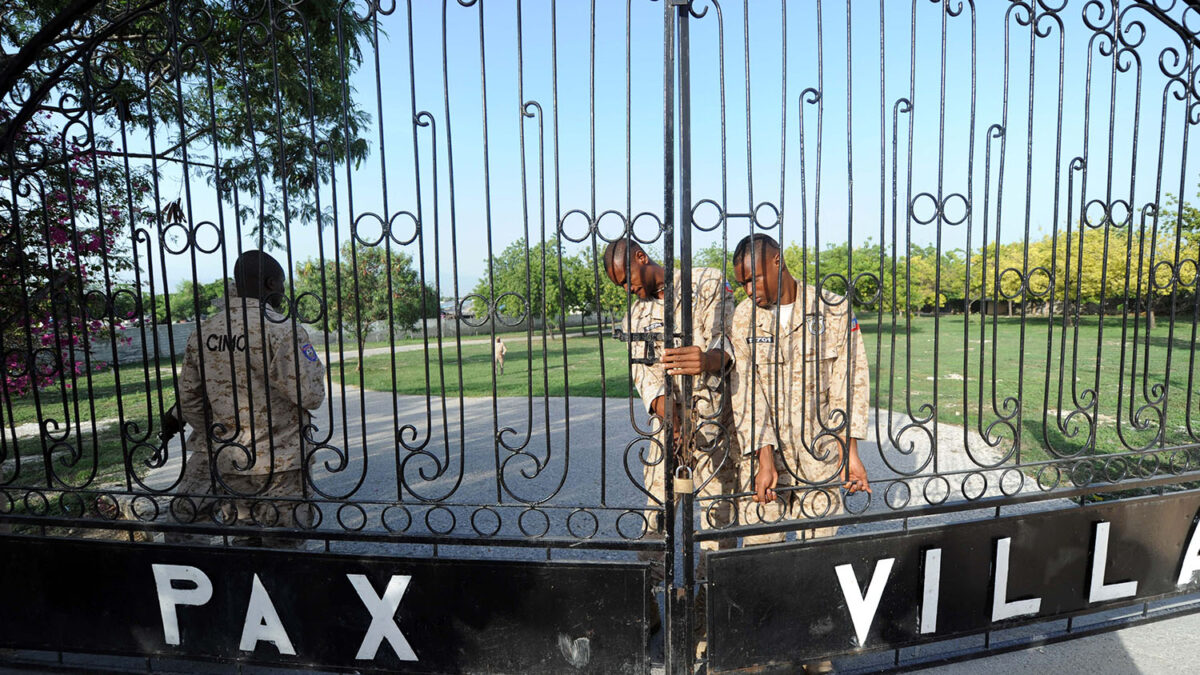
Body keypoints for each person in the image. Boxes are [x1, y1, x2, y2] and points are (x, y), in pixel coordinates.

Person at [603, 237, 739, 653]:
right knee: (653, 523)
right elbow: (646, 376)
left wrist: (708, 359)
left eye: (627, 279)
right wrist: (671, 415)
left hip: (718, 425)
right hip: (668, 432)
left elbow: (735, 341)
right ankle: (651, 608)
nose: (628, 289)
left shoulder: (707, 282)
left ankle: (702, 616)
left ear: (642, 258)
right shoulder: (634, 316)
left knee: (721, 523)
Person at [171, 250, 325, 548]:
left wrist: (219, 435)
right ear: (270, 284)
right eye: (281, 285)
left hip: (227, 457)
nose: (282, 293)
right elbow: (311, 395)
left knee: (243, 539)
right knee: (284, 546)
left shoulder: (204, 331)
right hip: (281, 462)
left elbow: (189, 398)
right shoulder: (282, 329)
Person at [729, 233, 871, 544]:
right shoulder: (743, 318)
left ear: (777, 260)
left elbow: (849, 384)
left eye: (754, 279)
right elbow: (746, 393)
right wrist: (764, 461)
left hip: (819, 456)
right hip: (767, 459)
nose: (749, 290)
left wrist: (850, 454)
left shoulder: (833, 308)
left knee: (816, 555)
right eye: (743, 284)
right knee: (760, 551)